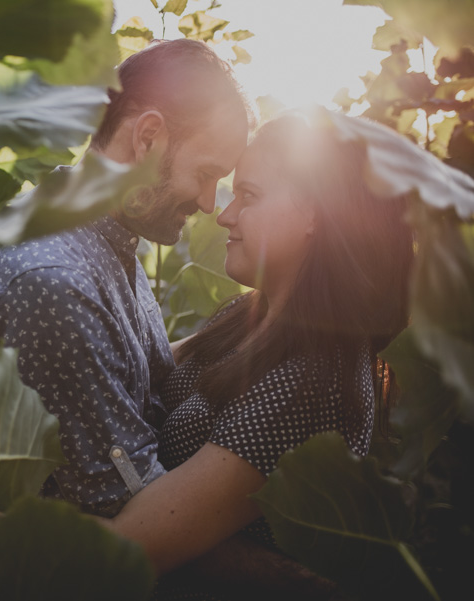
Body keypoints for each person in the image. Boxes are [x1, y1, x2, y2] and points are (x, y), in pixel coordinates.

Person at [103, 110, 414, 598]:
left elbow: (128, 547)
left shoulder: (314, 379)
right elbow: (135, 366)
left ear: (315, 211)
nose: (224, 215)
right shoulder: (246, 316)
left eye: (248, 196)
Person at [0, 38, 252, 517]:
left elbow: (126, 366)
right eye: (206, 173)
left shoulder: (99, 233)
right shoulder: (54, 283)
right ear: (148, 138)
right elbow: (133, 513)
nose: (206, 203)